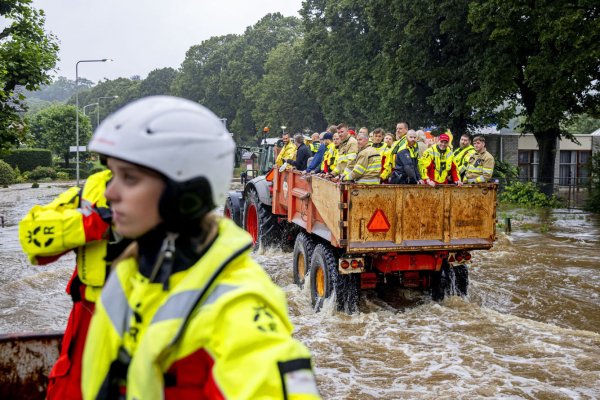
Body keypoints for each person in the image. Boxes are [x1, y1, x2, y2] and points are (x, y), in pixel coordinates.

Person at [81, 96, 320, 399]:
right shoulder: (130, 274)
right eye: (112, 174)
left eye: (129, 178)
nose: (109, 192)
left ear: (186, 193)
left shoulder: (238, 303)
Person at [19, 170, 130, 400]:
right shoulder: (89, 194)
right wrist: (95, 222)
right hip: (88, 319)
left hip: (152, 322)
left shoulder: (184, 201)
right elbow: (32, 238)